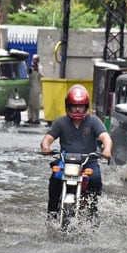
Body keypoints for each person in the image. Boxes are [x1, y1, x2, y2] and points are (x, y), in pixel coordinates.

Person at [40, 84, 113, 218]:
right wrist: (46, 147)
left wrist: (107, 149)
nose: (78, 109)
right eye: (74, 106)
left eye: (81, 106)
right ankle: (52, 213)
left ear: (86, 106)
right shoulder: (60, 122)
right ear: (68, 106)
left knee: (95, 178)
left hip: (88, 162)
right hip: (65, 162)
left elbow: (105, 137)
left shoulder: (94, 121)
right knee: (55, 178)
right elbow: (48, 138)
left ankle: (92, 210)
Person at [27, 54, 43, 124]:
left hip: (37, 88)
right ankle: (30, 118)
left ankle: (36, 118)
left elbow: (42, 76)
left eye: (36, 59)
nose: (35, 61)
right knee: (30, 104)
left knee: (36, 105)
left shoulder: (40, 67)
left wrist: (38, 71)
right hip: (31, 88)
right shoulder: (30, 67)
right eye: (34, 59)